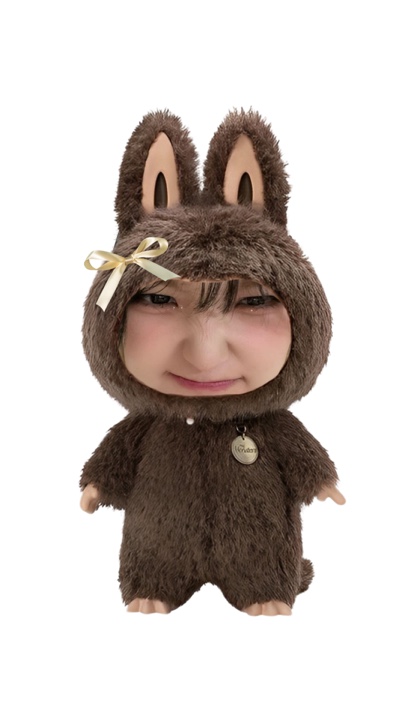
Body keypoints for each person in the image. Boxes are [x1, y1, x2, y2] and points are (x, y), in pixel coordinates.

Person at [80, 109, 345, 615]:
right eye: (160, 300)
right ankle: (153, 587)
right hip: (158, 550)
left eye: (252, 302)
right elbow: (116, 456)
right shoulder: (147, 426)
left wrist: (321, 479)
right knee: (151, 579)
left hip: (258, 556)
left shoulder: (271, 427)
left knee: (265, 578)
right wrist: (98, 482)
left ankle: (268, 588)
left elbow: (301, 456)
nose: (204, 356)